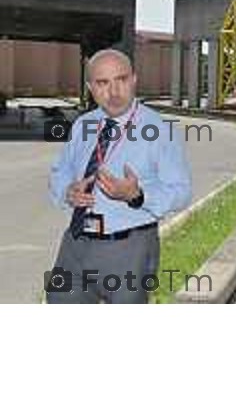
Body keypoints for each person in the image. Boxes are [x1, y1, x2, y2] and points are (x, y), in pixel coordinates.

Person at [46, 48, 192, 304]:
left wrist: (136, 195)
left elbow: (181, 191)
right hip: (76, 242)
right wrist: (67, 190)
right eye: (103, 83)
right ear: (90, 88)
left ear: (134, 80)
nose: (114, 92)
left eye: (121, 80)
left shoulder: (158, 129)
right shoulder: (83, 124)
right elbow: (61, 170)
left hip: (129, 249)